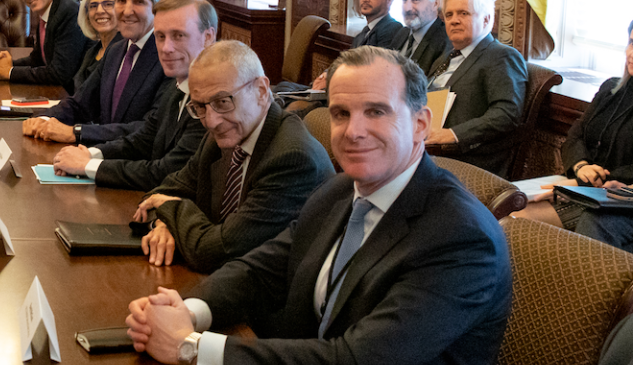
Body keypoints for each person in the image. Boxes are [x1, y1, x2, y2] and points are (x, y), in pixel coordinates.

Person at [125, 46, 511, 365]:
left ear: (421, 125)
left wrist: (191, 347)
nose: (354, 131)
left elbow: (358, 358)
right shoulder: (340, 191)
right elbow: (261, 270)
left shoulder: (461, 237)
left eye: (376, 111)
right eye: (341, 114)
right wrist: (188, 311)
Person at [129, 41, 332, 272]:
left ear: (261, 91)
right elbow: (161, 192)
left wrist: (172, 208)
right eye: (200, 107)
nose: (211, 120)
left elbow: (216, 252)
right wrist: (164, 223)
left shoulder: (292, 159)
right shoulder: (224, 135)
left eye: (223, 102)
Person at [53, 0, 215, 192]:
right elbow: (144, 139)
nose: (166, 48)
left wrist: (88, 165)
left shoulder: (213, 100)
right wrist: (91, 154)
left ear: (208, 37)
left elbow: (166, 172)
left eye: (179, 35)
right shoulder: (178, 86)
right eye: (160, 36)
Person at [26, 0, 169, 145]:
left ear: (157, 6)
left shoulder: (167, 56)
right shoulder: (116, 51)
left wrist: (77, 132)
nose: (126, 11)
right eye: (121, 0)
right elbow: (80, 104)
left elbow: (149, 128)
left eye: (138, 1)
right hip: (100, 156)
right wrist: (42, 120)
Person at [425, 0, 527, 176]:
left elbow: (507, 114)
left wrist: (453, 134)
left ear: (486, 19)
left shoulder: (501, 56)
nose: (454, 21)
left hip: (469, 157)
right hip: (429, 147)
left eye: (463, 13)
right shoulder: (445, 57)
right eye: (448, 15)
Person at [551, 21, 633, 250]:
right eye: (631, 42)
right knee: (515, 207)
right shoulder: (610, 88)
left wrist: (584, 182)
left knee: (593, 223)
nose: (631, 53)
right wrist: (580, 166)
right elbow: (575, 135)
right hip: (585, 187)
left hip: (618, 199)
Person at [308, 0, 404, 93]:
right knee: (285, 89)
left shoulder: (392, 29)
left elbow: (371, 71)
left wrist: (332, 80)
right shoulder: (363, 32)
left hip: (359, 94)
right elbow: (346, 61)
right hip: (341, 88)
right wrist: (326, 75)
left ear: (389, 0)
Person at [389, 0, 452, 76]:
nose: (407, 8)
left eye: (415, 0)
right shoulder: (402, 33)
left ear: (435, 3)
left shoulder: (445, 40)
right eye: (404, 0)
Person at [72, 0, 118, 91]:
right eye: (93, 6)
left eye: (108, 4)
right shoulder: (92, 52)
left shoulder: (125, 52)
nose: (100, 11)